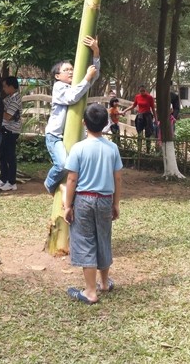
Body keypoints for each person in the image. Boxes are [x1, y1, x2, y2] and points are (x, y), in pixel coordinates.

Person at [64, 103, 122, 305]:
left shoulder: (78, 148)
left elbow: (72, 179)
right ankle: (104, 283)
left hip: (84, 199)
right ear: (106, 123)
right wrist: (116, 203)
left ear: (83, 124)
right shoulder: (112, 148)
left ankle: (90, 291)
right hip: (106, 199)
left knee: (85, 240)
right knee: (103, 238)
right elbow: (118, 178)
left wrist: (68, 205)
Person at [44, 35, 100, 195]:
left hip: (76, 136)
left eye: (72, 69)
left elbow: (93, 75)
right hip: (55, 136)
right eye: (66, 70)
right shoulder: (59, 87)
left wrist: (96, 52)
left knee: (79, 168)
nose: (70, 71)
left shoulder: (78, 85)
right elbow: (71, 97)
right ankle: (49, 184)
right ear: (57, 76)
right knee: (62, 165)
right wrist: (87, 78)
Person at [0, 76, 22, 192]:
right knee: (2, 155)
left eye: (5, 86)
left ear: (12, 86)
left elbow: (8, 116)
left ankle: (12, 182)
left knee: (10, 156)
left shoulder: (15, 99)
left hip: (11, 131)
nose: (4, 89)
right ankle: (3, 179)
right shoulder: (9, 97)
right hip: (5, 129)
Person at [121, 85, 157, 151]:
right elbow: (133, 105)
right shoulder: (137, 97)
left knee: (148, 134)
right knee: (139, 133)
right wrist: (125, 110)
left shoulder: (150, 97)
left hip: (147, 116)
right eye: (141, 91)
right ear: (139, 91)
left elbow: (153, 108)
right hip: (140, 116)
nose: (142, 92)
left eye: (143, 91)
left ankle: (148, 150)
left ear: (145, 90)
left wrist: (156, 118)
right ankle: (139, 150)